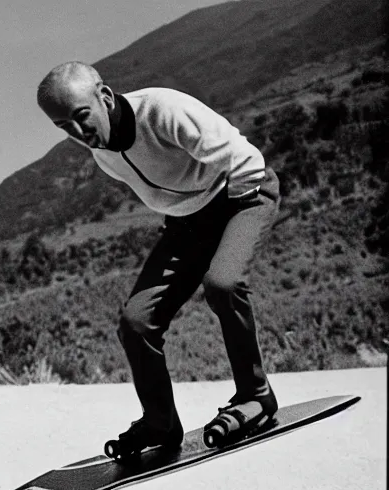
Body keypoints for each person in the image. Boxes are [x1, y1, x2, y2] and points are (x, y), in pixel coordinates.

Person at [37, 61, 280, 455]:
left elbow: (244, 158)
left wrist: (222, 224)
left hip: (243, 194)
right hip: (187, 225)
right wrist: (190, 229)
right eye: (64, 127)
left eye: (82, 116)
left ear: (105, 96)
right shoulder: (100, 149)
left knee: (222, 284)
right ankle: (160, 423)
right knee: (136, 322)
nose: (78, 133)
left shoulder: (162, 110)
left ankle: (256, 397)